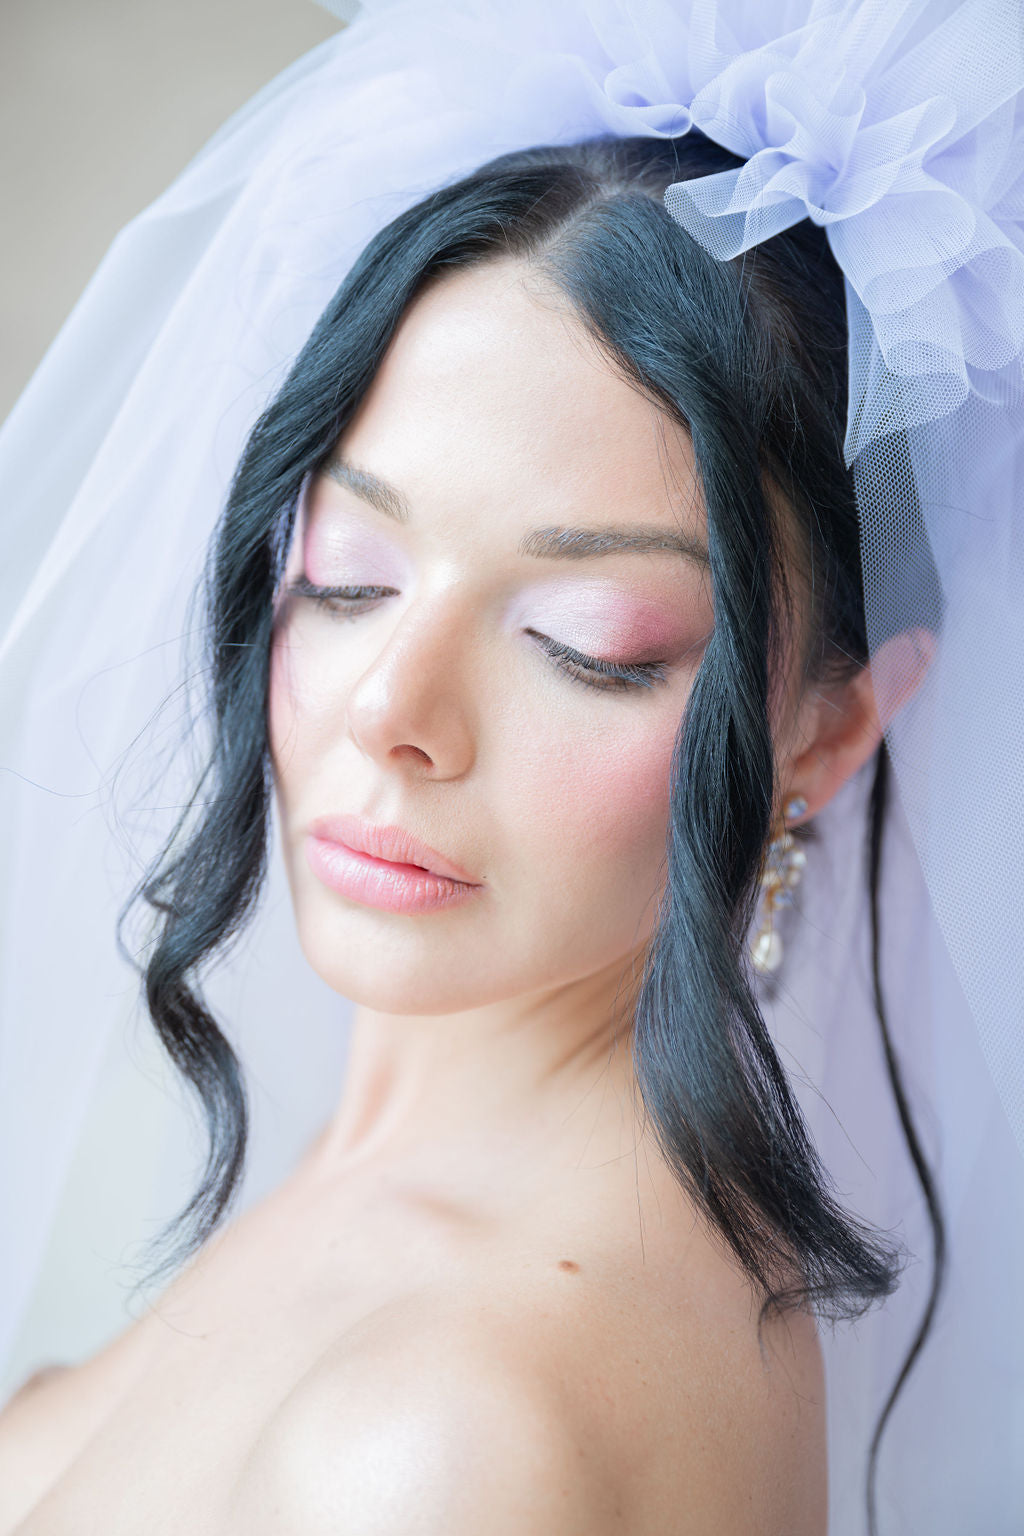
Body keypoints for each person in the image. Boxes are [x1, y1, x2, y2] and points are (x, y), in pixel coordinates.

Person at [1, 4, 1022, 1534]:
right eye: (348, 573)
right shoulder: (419, 1220)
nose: (393, 710)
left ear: (832, 727)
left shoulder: (451, 1446)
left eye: (586, 641)